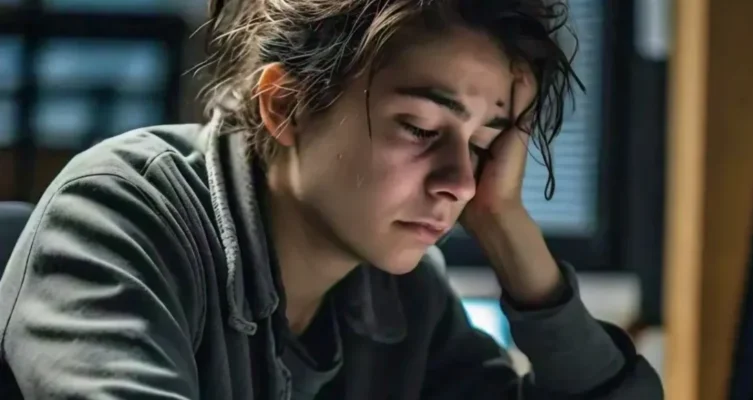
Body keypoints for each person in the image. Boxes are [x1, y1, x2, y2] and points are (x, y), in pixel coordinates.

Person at [0, 0, 663, 398]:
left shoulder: (402, 297)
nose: (461, 182)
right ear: (285, 105)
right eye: (420, 128)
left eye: (485, 142)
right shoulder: (122, 216)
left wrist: (506, 225)